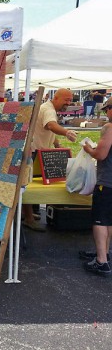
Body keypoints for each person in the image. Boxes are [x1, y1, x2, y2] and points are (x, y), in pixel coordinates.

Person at [22, 88, 78, 231]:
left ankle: (27, 213)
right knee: (27, 185)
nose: (68, 103)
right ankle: (28, 218)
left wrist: (57, 143)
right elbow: (51, 125)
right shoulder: (49, 110)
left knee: (29, 183)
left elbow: (47, 129)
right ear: (56, 98)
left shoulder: (48, 108)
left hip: (37, 150)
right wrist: (67, 132)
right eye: (66, 100)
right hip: (33, 151)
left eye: (70, 100)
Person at [81, 97, 112, 275]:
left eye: (107, 109)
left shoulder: (109, 128)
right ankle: (105, 253)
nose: (106, 112)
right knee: (109, 220)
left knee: (100, 220)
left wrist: (88, 149)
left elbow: (100, 155)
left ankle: (101, 261)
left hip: (107, 181)